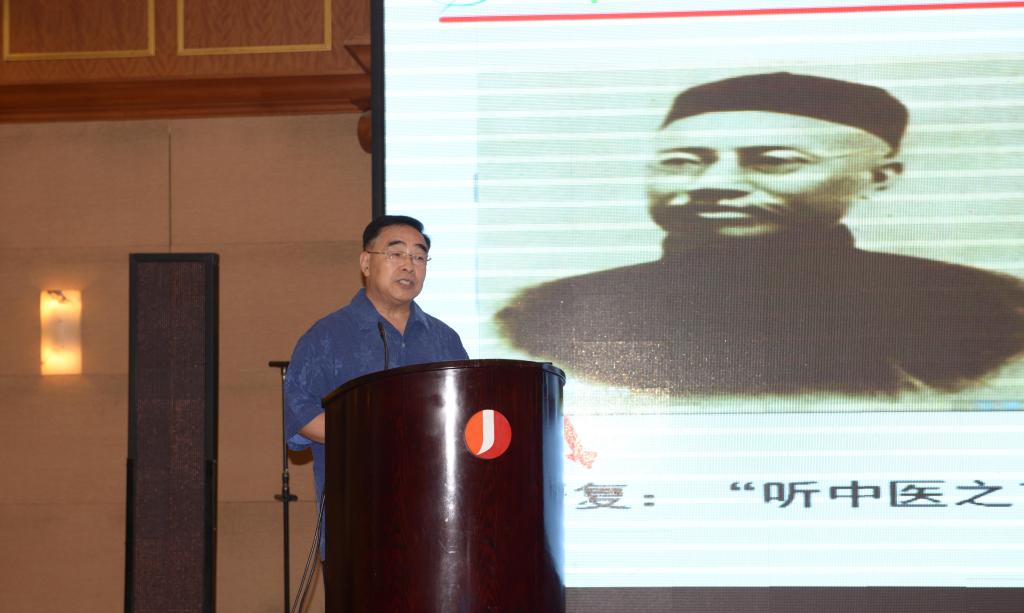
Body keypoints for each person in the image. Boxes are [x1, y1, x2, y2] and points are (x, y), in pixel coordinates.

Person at [496, 72, 1024, 396]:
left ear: (877, 178)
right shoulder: (544, 313)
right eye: (681, 162)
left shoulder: (987, 309)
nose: (714, 185)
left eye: (773, 161)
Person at [284, 215, 468, 557]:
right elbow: (299, 415)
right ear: (366, 263)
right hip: (357, 523)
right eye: (396, 254)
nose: (409, 265)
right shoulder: (327, 336)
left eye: (419, 256)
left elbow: (466, 415)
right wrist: (375, 432)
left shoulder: (444, 339)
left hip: (438, 526)